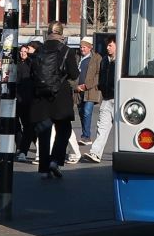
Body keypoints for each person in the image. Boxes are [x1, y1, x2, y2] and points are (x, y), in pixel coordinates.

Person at [27, 26, 79, 180]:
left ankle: (43, 168)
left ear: (48, 33)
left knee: (44, 132)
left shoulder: (39, 50)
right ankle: (55, 160)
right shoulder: (67, 50)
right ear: (61, 34)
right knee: (64, 130)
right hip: (60, 95)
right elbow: (74, 74)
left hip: (41, 96)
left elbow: (32, 73)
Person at [85, 35, 117, 163]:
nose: (107, 48)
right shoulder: (104, 60)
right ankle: (95, 153)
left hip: (118, 98)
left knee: (123, 129)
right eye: (107, 45)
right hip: (107, 98)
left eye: (110, 45)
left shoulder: (122, 60)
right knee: (102, 127)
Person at [73, 39, 101, 159]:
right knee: (80, 111)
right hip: (79, 90)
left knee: (87, 111)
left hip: (90, 90)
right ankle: (85, 135)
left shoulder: (97, 59)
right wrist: (76, 86)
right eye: (81, 47)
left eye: (84, 47)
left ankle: (86, 136)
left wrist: (87, 85)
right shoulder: (77, 58)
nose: (82, 49)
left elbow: (98, 75)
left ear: (90, 47)